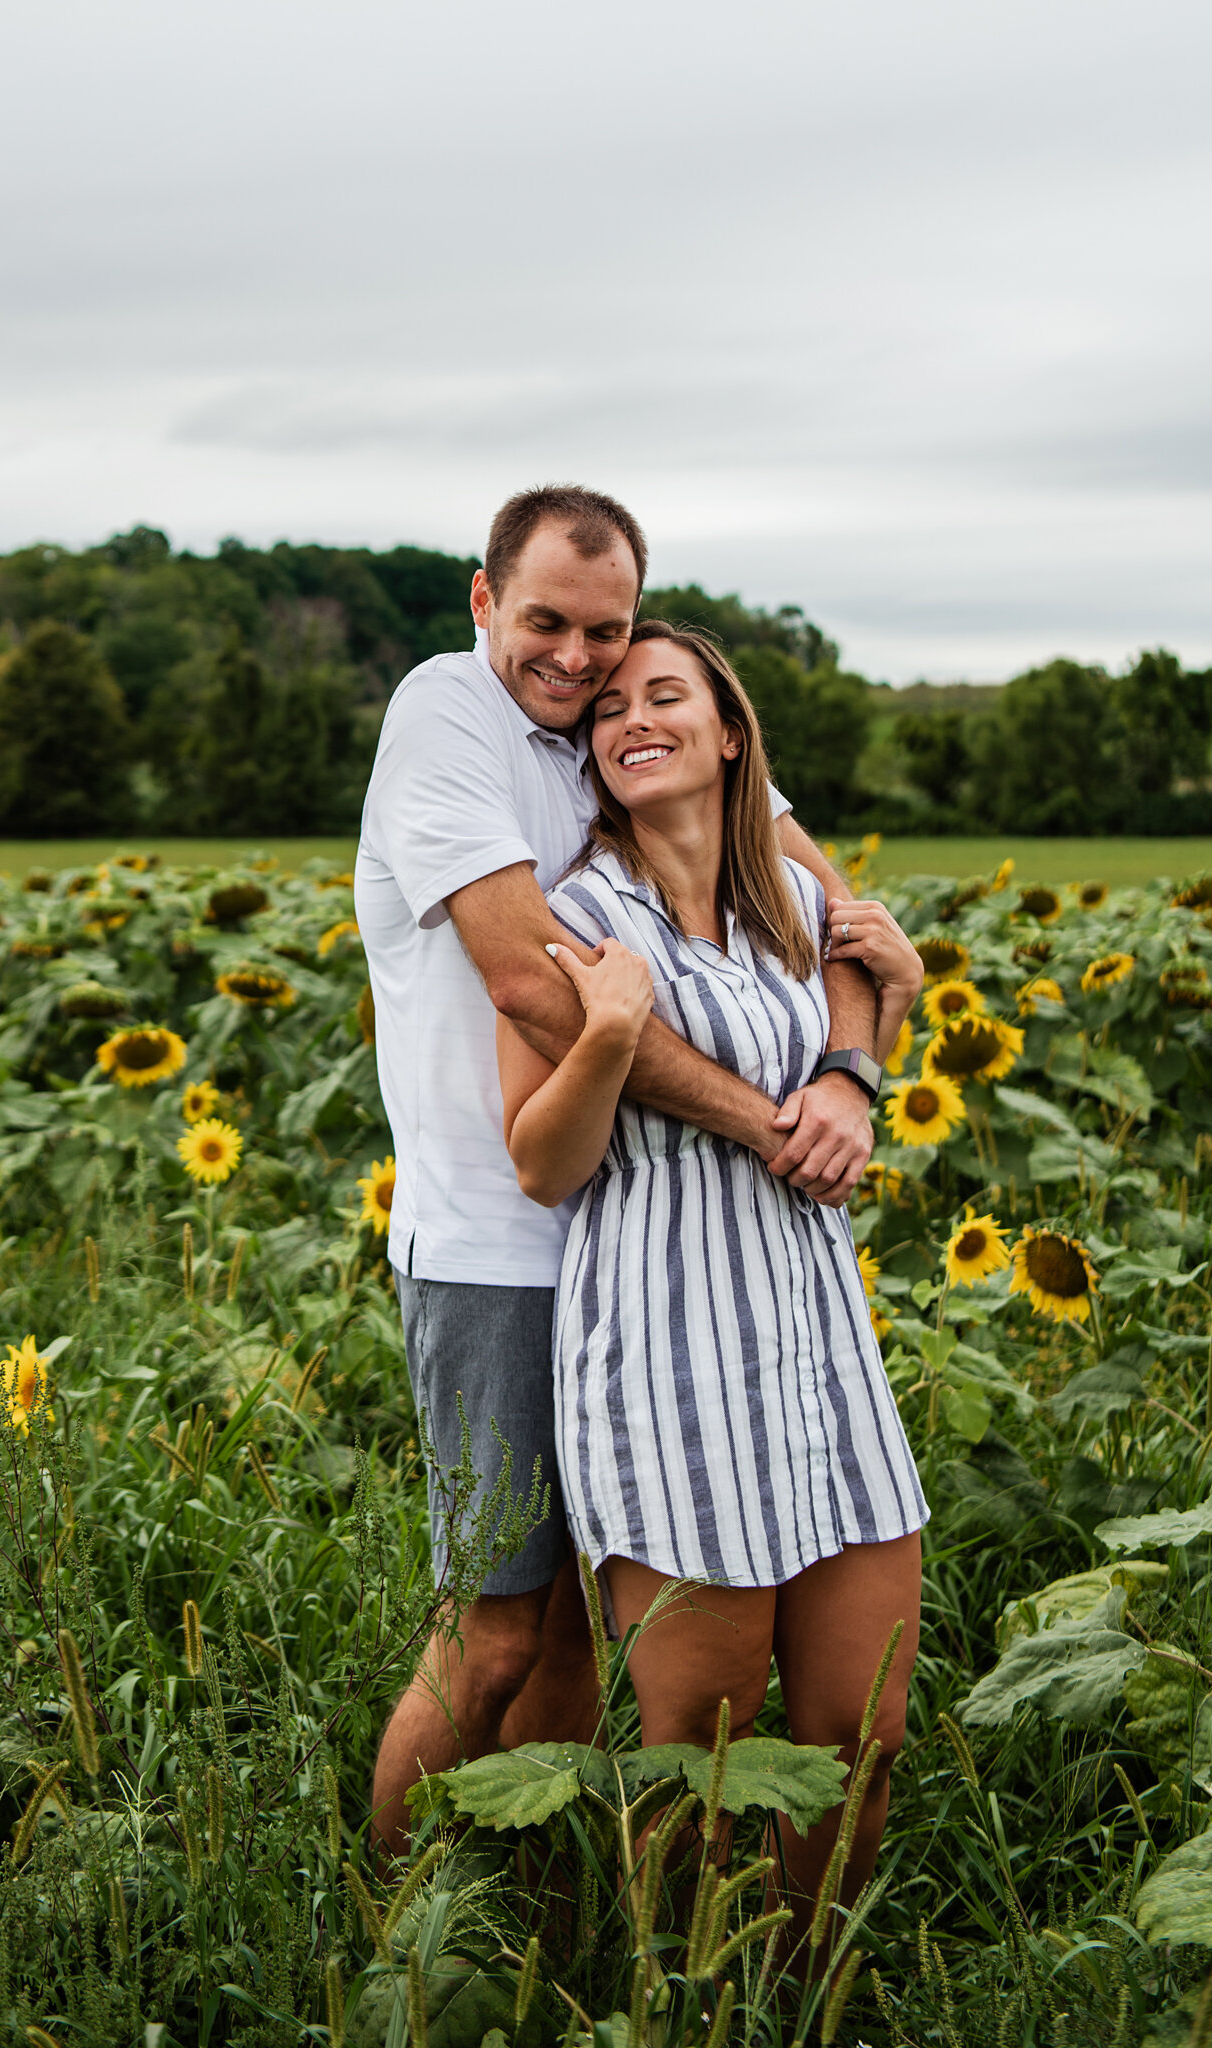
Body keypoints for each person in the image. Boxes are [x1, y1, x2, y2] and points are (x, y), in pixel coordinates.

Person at [354, 484, 903, 1854]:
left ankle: (539, 1915)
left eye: (605, 631)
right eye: (545, 622)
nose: (579, 660)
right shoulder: (450, 712)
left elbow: (832, 913)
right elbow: (537, 990)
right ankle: (390, 1914)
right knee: (496, 1633)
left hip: (648, 1262)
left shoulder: (624, 725)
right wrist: (766, 1123)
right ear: (483, 603)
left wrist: (846, 1071)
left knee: (584, 1642)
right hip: (503, 1243)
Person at [494, 617, 928, 1939]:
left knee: (865, 1728)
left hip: (818, 1343)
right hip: (672, 1356)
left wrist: (868, 1062)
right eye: (612, 706)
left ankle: (809, 1987)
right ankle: (690, 1993)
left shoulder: (795, 906)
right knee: (704, 1748)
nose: (633, 715)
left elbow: (854, 1045)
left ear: (731, 732)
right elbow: (543, 1167)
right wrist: (609, 1036)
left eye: (665, 694)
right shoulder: (576, 917)